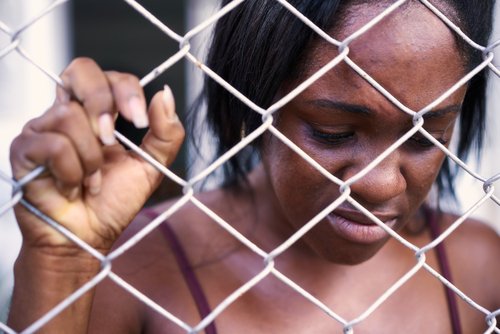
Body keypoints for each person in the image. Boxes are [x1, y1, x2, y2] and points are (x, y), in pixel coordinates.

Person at [6, 0, 500, 333]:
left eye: (426, 137)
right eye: (333, 132)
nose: (381, 182)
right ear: (253, 100)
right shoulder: (136, 269)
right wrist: (61, 263)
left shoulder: (473, 269)